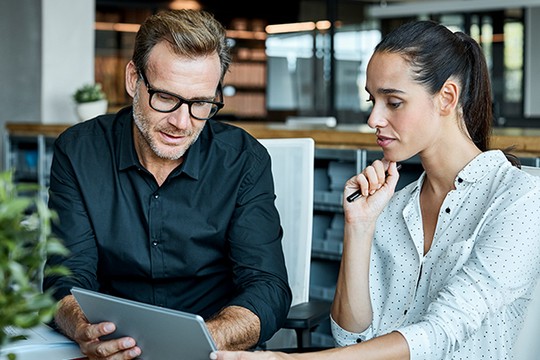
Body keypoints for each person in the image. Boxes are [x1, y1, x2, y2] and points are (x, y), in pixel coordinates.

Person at [212, 20, 540, 360]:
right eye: (372, 100)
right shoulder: (394, 206)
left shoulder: (520, 200)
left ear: (446, 98)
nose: (373, 119)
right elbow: (349, 337)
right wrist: (359, 226)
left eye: (393, 102)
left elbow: (442, 332)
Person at [42, 9, 292, 359]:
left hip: (212, 350)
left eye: (201, 103)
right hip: (113, 350)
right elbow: (65, 279)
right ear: (133, 79)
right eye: (165, 97)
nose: (181, 122)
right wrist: (85, 329)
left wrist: (204, 340)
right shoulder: (79, 152)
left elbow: (268, 288)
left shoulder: (243, 160)